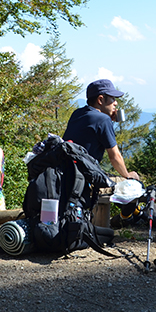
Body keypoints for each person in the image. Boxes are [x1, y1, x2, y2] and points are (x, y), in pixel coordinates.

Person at [62, 79, 142, 226]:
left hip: (68, 176)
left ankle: (127, 215)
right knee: (135, 185)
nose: (116, 103)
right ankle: (124, 219)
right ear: (100, 99)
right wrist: (128, 176)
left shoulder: (77, 114)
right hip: (86, 182)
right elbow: (115, 157)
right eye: (112, 99)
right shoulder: (102, 120)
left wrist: (107, 120)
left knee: (117, 181)